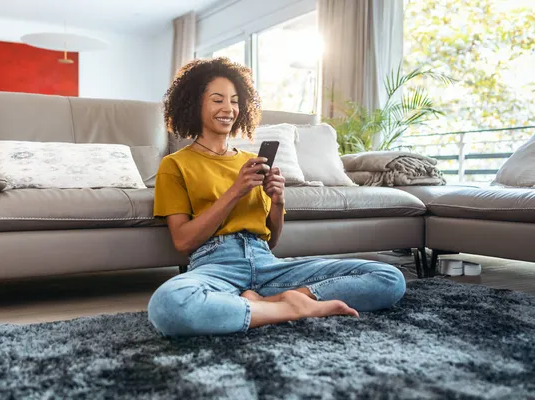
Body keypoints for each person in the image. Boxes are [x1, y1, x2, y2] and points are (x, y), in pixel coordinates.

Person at [148, 57, 406, 337]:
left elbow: (271, 240)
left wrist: (278, 200)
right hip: (216, 265)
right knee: (168, 305)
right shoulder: (174, 165)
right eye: (217, 100)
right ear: (194, 104)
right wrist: (235, 191)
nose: (229, 109)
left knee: (389, 277)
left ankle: (274, 301)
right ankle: (290, 308)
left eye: (235, 101)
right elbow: (183, 240)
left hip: (268, 264)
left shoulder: (251, 161)